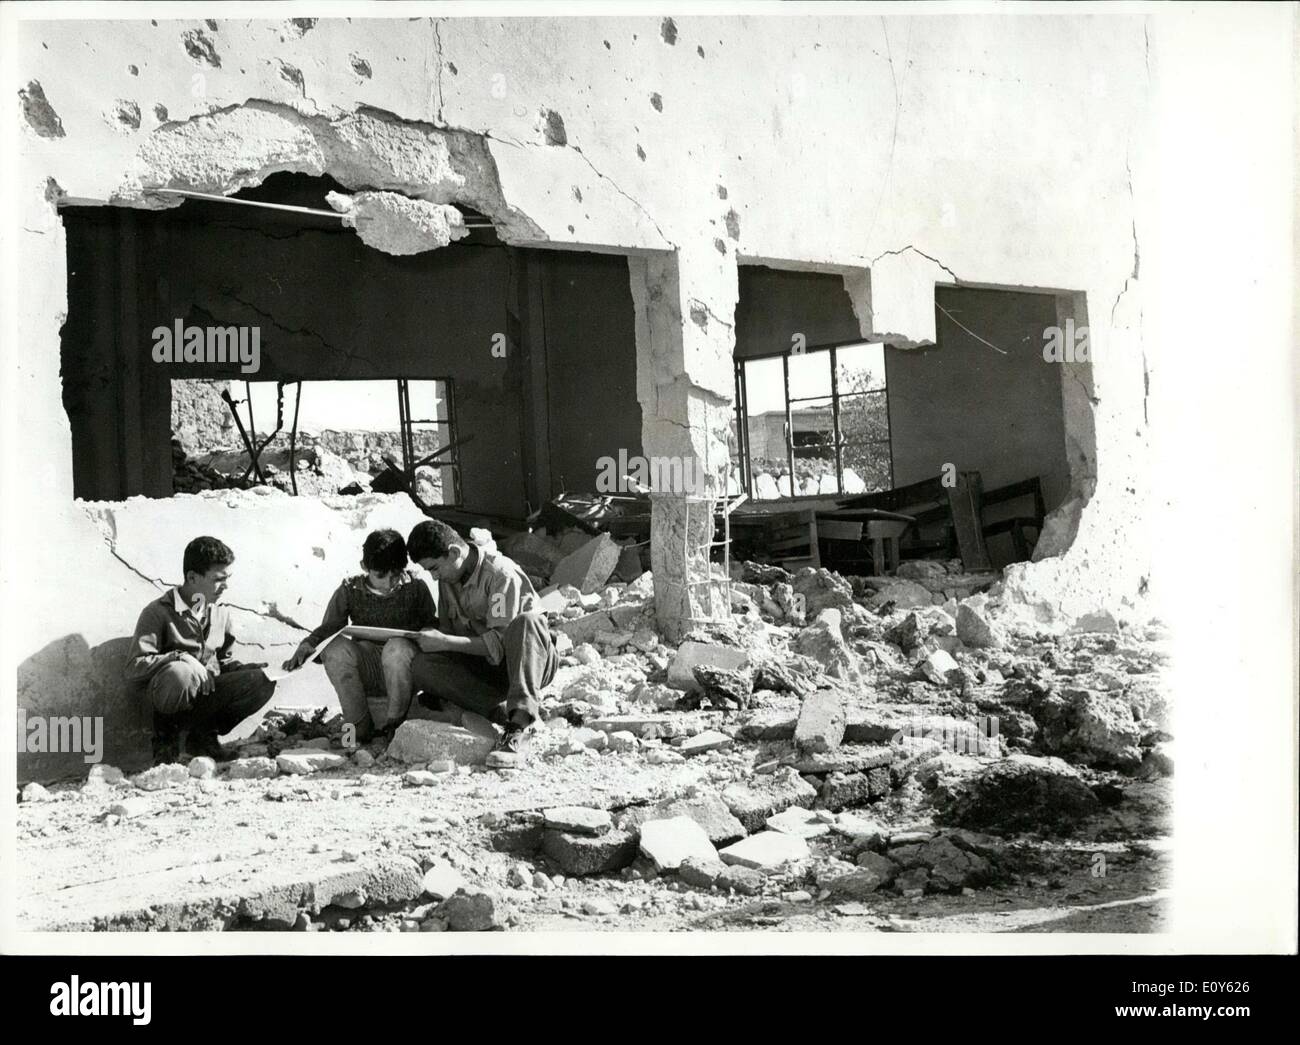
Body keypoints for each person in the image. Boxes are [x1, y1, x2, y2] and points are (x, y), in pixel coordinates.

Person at [406, 519, 557, 767]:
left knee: (526, 622)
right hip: (485, 666)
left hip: (526, 660)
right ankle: (496, 710)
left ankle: (518, 725)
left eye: (435, 568)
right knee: (423, 666)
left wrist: (445, 642)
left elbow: (498, 644)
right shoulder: (448, 579)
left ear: (454, 552)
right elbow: (449, 630)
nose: (434, 577)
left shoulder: (499, 574)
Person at [125, 536, 276, 762]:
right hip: (170, 700)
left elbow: (225, 662)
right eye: (218, 579)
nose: (225, 586)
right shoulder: (157, 612)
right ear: (192, 578)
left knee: (263, 680)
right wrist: (180, 657)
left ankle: (203, 739)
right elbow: (134, 667)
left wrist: (247, 670)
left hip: (207, 697)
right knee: (180, 673)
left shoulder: (220, 612)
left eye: (227, 578)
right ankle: (166, 746)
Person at [282, 528, 436, 743]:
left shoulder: (416, 586)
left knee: (396, 648)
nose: (388, 582)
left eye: (395, 574)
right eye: (381, 575)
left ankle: (394, 725)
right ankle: (357, 726)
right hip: (368, 668)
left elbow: (431, 625)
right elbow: (329, 629)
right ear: (365, 567)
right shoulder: (350, 589)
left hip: (405, 669)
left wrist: (428, 633)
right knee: (335, 649)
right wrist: (308, 644)